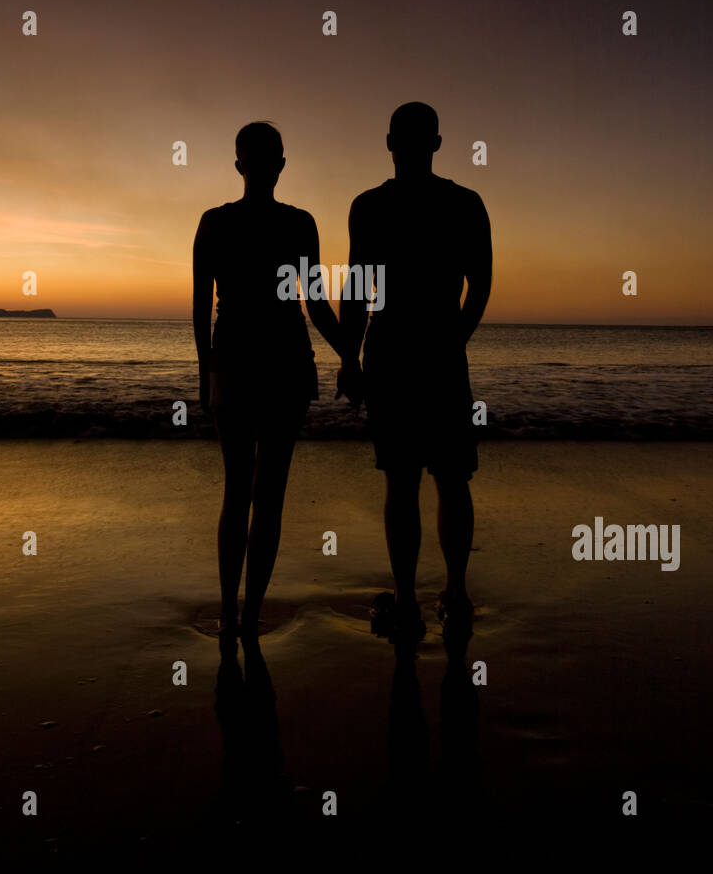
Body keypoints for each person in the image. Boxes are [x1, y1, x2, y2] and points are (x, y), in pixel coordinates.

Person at [192, 122, 356, 643]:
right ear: (279, 165)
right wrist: (352, 358)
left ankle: (228, 612)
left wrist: (205, 373)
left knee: (237, 489)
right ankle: (248, 616)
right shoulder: (298, 223)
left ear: (239, 164)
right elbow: (315, 305)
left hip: (235, 363)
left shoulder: (215, 223)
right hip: (284, 363)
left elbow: (200, 311)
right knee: (269, 494)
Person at [338, 102, 492, 640]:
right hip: (440, 349)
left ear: (388, 142)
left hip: (393, 347)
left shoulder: (371, 206)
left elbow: (358, 285)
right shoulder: (464, 203)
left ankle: (406, 599)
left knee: (402, 479)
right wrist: (457, 338)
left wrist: (348, 358)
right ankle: (455, 591)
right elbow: (481, 284)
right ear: (437, 143)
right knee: (452, 475)